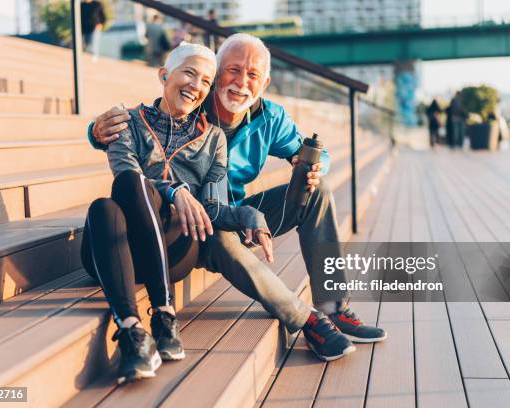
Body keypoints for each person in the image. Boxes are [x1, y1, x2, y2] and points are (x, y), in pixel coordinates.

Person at [87, 33, 387, 362]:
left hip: (232, 212)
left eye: (253, 75)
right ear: (216, 73)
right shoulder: (193, 96)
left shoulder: (271, 118)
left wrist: (315, 168)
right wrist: (96, 132)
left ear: (265, 82)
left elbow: (315, 154)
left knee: (319, 192)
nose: (241, 82)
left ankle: (334, 307)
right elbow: (146, 130)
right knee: (221, 233)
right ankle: (307, 320)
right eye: (232, 70)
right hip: (193, 223)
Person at [81, 43, 271, 384]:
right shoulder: (128, 121)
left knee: (121, 193)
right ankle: (137, 329)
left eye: (205, 81)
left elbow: (212, 209)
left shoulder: (214, 139)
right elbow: (126, 177)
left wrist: (248, 217)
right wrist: (174, 190)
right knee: (104, 207)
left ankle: (155, 319)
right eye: (189, 73)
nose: (196, 86)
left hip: (175, 250)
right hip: (119, 249)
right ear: (164, 75)